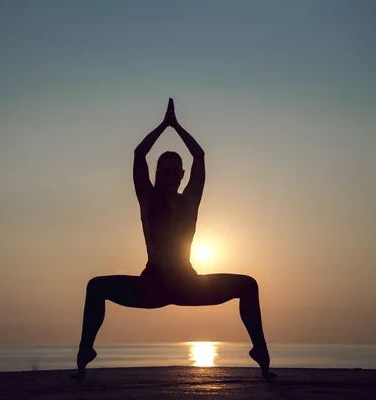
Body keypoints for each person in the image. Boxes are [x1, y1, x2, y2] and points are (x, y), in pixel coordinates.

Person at [74, 98, 274, 379]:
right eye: (164, 171)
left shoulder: (189, 201)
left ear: (181, 175)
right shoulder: (147, 198)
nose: (169, 176)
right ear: (157, 174)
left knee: (248, 285)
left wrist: (176, 126)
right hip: (152, 284)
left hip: (188, 284)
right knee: (95, 287)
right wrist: (162, 126)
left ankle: (261, 355)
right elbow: (138, 154)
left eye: (174, 171)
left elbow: (200, 156)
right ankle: (84, 357)